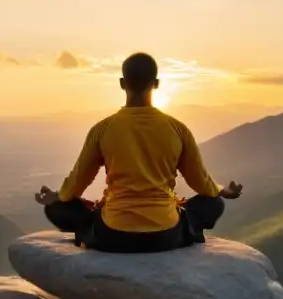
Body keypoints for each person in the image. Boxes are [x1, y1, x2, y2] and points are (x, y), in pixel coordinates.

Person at [34, 52, 243, 253]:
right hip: (167, 234)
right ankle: (186, 234)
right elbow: (202, 184)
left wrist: (58, 196)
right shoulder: (177, 129)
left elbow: (77, 183)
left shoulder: (103, 129)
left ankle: (89, 235)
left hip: (112, 235)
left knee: (56, 208)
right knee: (213, 203)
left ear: (122, 83)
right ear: (157, 83)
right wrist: (221, 190)